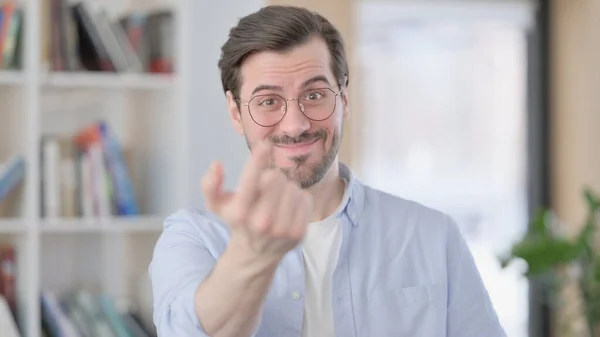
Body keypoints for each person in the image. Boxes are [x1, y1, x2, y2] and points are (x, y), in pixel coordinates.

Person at [149, 5, 506, 337]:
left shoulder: (434, 236)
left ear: (344, 100)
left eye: (315, 95)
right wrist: (250, 253)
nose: (295, 124)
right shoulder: (192, 238)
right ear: (235, 112)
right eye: (268, 101)